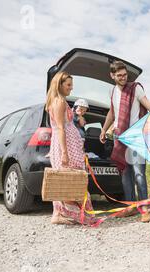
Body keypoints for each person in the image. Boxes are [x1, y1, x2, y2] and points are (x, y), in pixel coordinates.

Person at [46, 71, 103, 227]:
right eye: (68, 85)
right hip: (67, 148)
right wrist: (64, 153)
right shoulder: (59, 102)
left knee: (65, 180)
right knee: (74, 180)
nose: (71, 88)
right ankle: (84, 216)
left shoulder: (61, 101)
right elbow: (59, 128)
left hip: (70, 147)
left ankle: (58, 214)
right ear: (59, 84)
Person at [99, 61, 150, 223]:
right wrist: (104, 129)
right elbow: (112, 112)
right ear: (112, 76)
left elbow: (148, 105)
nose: (123, 78)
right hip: (119, 136)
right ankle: (129, 207)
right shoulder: (113, 91)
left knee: (139, 173)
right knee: (125, 173)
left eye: (125, 75)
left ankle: (144, 208)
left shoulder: (136, 88)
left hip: (136, 136)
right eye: (119, 75)